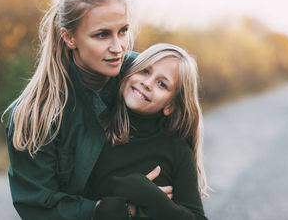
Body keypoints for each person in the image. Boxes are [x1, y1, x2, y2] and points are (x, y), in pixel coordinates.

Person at [3, 0, 172, 220]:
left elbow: (179, 127)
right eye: (102, 34)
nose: (118, 47)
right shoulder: (35, 112)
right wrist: (120, 210)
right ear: (69, 38)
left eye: (123, 31)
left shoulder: (142, 78)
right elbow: (38, 205)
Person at [84, 43, 209, 220]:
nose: (147, 83)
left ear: (170, 105)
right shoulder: (97, 128)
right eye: (145, 71)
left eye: (162, 84)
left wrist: (153, 199)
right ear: (129, 72)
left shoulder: (177, 151)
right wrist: (126, 203)